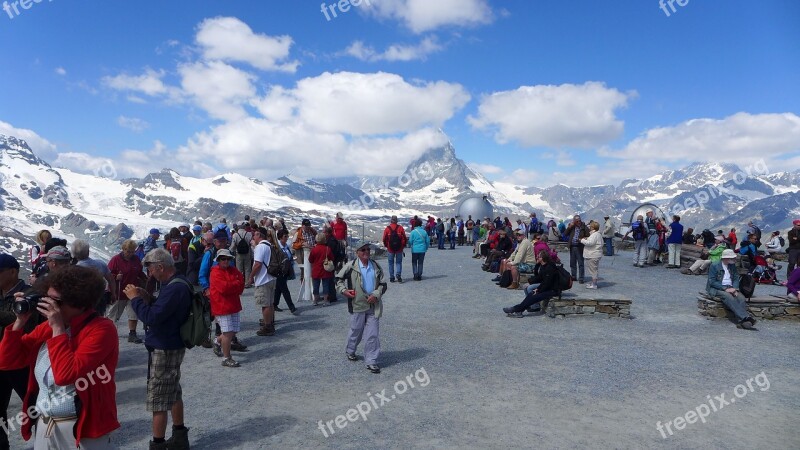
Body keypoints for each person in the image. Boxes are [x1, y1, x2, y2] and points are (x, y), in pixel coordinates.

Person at [0, 265, 120, 448]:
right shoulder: (48, 327)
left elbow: (65, 375)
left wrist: (58, 328)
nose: (50, 306)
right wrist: (19, 322)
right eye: (47, 298)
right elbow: (6, 360)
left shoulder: (102, 329)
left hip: (83, 431)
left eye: (56, 301)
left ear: (80, 302)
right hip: (45, 426)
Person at [125, 249, 191, 450]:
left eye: (151, 270)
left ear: (161, 267)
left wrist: (135, 299)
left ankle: (158, 444)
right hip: (172, 343)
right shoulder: (177, 283)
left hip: (164, 346)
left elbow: (152, 318)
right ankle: (180, 437)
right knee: (173, 391)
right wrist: (148, 299)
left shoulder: (172, 288)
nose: (150, 274)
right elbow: (164, 311)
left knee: (159, 399)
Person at [0, 254, 38, 450]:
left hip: (23, 362)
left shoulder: (30, 293)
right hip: (2, 359)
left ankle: (48, 442)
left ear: (13, 272)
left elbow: (26, 321)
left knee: (35, 406)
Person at [337, 242, 387, 374]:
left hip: (373, 305)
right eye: (363, 250)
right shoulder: (350, 266)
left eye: (368, 249)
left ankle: (371, 361)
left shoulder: (375, 266)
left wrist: (376, 294)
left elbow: (383, 284)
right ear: (357, 252)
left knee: (372, 334)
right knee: (356, 330)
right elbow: (338, 280)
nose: (366, 252)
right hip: (357, 305)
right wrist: (344, 291)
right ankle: (350, 350)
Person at [107, 239, 148, 345]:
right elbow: (108, 275)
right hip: (119, 291)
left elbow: (139, 272)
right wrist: (116, 276)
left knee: (133, 313)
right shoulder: (115, 260)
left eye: (132, 251)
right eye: (128, 251)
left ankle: (132, 334)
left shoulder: (136, 259)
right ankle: (108, 334)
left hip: (132, 290)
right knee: (113, 315)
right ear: (123, 249)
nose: (130, 253)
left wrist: (146, 278)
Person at [208, 249, 245, 367]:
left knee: (233, 330)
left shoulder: (233, 270)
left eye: (228, 258)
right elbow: (224, 288)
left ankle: (217, 341)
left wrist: (232, 286)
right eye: (223, 259)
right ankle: (226, 358)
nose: (226, 261)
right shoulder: (215, 272)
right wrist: (235, 284)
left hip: (233, 304)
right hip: (221, 306)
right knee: (228, 333)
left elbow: (241, 284)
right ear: (218, 260)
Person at [706, 249, 756, 330]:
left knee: (741, 298)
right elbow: (712, 282)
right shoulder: (714, 265)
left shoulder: (732, 266)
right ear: (726, 258)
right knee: (728, 297)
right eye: (732, 258)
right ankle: (746, 317)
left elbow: (736, 277)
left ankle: (741, 322)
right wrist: (725, 288)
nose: (734, 259)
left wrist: (735, 288)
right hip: (717, 288)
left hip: (731, 287)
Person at [503, 251, 558, 317]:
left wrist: (538, 290)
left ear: (542, 258)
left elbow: (547, 283)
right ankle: (518, 310)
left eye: (539, 256)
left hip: (553, 290)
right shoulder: (543, 266)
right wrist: (537, 265)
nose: (537, 257)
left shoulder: (550, 267)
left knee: (533, 296)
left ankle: (516, 309)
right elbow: (539, 277)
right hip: (547, 288)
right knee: (531, 295)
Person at [72, 239, 116, 316]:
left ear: (74, 254)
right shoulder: (100, 263)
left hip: (82, 300)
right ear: (88, 252)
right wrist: (113, 294)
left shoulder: (74, 269)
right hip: (100, 298)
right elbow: (111, 280)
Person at [249, 227, 278, 336]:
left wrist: (251, 277)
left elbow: (257, 264)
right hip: (271, 277)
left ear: (259, 235)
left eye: (255, 235)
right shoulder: (270, 246)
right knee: (270, 303)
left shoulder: (260, 247)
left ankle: (267, 326)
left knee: (265, 304)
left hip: (263, 278)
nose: (253, 237)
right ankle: (270, 323)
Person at [273, 229, 298, 314]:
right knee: (284, 289)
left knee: (279, 288)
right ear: (280, 237)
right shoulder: (277, 247)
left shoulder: (286, 246)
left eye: (287, 236)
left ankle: (274, 304)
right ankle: (291, 307)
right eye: (285, 236)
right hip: (279, 270)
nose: (287, 238)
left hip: (286, 269)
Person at [308, 233, 335, 306]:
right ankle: (325, 301)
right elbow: (332, 258)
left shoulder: (314, 249)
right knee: (325, 285)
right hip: (325, 269)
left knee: (316, 286)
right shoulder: (327, 249)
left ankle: (315, 301)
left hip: (316, 269)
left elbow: (310, 260)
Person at [382, 215, 407, 283]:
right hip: (399, 248)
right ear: (397, 221)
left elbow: (384, 239)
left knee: (391, 263)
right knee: (398, 262)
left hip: (390, 249)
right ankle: (398, 274)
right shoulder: (400, 228)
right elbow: (404, 238)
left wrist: (387, 245)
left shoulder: (387, 229)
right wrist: (403, 246)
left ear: (391, 220)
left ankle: (392, 277)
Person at [565, 215, 589, 283]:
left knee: (581, 263)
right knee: (572, 262)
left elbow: (588, 235)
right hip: (572, 246)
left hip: (580, 246)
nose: (578, 222)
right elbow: (565, 234)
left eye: (579, 220)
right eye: (577, 221)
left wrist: (584, 238)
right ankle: (574, 276)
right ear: (574, 221)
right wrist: (569, 227)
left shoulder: (584, 227)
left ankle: (581, 278)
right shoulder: (572, 227)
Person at [580, 222, 603, 289]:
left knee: (593, 270)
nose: (589, 227)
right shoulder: (597, 234)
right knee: (594, 269)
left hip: (592, 255)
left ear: (593, 227)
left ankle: (594, 285)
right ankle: (593, 283)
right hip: (595, 254)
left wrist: (582, 240)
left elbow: (590, 243)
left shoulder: (594, 235)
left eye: (590, 226)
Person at [230, 223, 253, 288]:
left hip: (239, 253)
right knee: (247, 268)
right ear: (244, 227)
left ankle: (239, 283)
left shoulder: (235, 235)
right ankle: (247, 283)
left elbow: (233, 246)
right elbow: (251, 244)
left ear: (238, 227)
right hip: (247, 253)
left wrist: (231, 250)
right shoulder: (249, 234)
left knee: (239, 269)